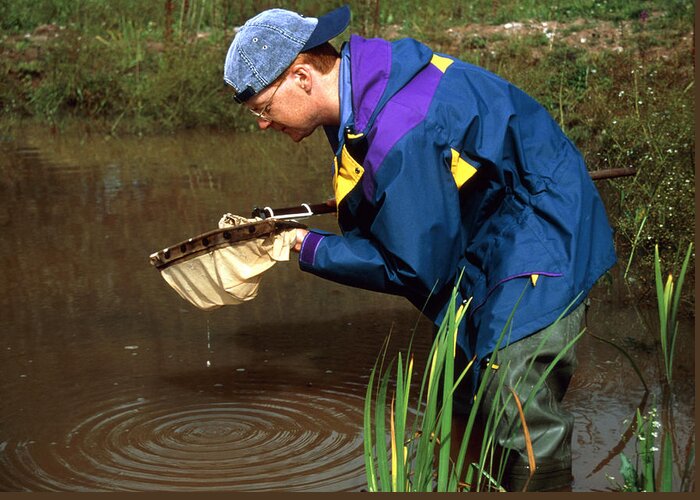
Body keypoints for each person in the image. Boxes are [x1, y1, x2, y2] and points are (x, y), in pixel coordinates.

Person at [223, 4, 616, 491]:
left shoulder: (397, 130)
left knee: (516, 395)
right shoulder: (364, 88)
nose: (264, 124)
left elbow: (412, 269)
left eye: (263, 109)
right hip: (490, 215)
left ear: (302, 76)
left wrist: (301, 245)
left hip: (542, 225)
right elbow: (399, 197)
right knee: (462, 383)